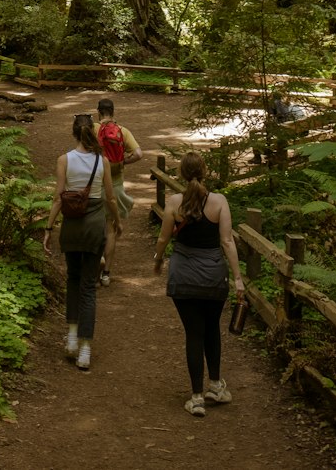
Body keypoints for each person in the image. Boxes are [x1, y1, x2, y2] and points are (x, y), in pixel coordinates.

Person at [153, 150, 245, 417]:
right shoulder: (219, 202)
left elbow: (163, 238)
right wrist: (237, 278)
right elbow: (227, 241)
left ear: (181, 174)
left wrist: (158, 260)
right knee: (212, 329)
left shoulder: (174, 203)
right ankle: (215, 385)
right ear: (205, 172)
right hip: (213, 276)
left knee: (194, 333)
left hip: (184, 276)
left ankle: (195, 397)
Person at [43, 113, 122, 371]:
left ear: (74, 133)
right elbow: (110, 198)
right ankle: (85, 349)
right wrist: (118, 221)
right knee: (88, 287)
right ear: (92, 133)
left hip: (72, 229)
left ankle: (72, 336)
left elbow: (58, 198)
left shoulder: (64, 160)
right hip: (94, 229)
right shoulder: (103, 161)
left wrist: (48, 227)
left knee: (73, 280)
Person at [93, 97, 143, 286]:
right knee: (111, 228)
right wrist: (123, 162)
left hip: (96, 184)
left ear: (99, 112)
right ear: (113, 112)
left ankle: (98, 260)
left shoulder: (93, 129)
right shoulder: (123, 131)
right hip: (115, 185)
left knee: (96, 226)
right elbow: (139, 154)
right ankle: (106, 274)